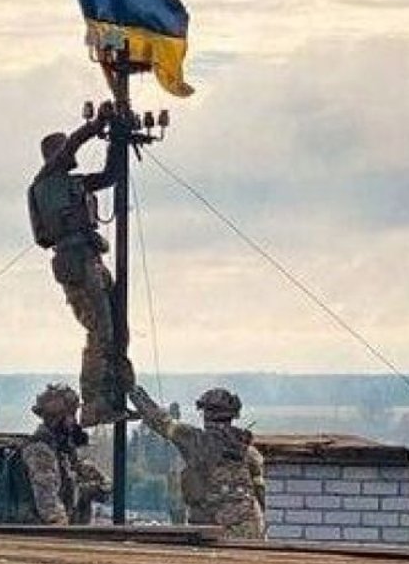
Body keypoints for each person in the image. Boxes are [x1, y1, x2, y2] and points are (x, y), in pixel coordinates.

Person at [28, 102, 134, 427]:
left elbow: (110, 176)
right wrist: (96, 125)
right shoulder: (46, 180)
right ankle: (93, 404)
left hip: (90, 259)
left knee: (116, 328)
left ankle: (117, 393)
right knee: (100, 332)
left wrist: (118, 138)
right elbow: (72, 146)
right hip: (75, 261)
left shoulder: (72, 183)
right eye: (63, 150)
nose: (70, 155)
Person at [127, 384, 266, 538]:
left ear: (205, 414)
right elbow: (259, 491)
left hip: (208, 528)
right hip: (246, 529)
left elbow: (161, 421)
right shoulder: (246, 449)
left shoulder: (195, 441)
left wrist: (133, 391)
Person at [22, 383, 110, 525]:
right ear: (57, 418)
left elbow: (104, 487)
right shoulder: (40, 452)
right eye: (71, 415)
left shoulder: (61, 452)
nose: (74, 421)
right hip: (37, 531)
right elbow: (48, 506)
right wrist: (64, 529)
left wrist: (88, 488)